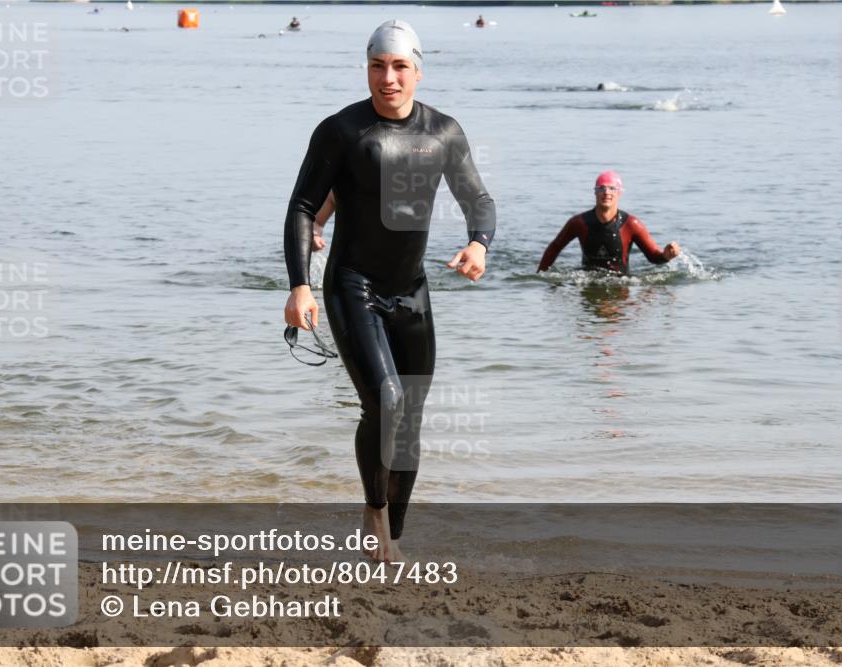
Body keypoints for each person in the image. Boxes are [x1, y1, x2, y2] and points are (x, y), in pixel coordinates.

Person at [283, 20, 495, 562]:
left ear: (418, 72)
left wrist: (478, 245)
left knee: (411, 420)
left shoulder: (443, 132)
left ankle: (394, 537)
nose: (388, 78)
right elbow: (304, 206)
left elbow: (478, 200)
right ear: (368, 69)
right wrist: (300, 286)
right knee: (386, 400)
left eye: (400, 67)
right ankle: (374, 512)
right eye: (378, 66)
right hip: (353, 284)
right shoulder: (342, 130)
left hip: (412, 292)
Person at [537, 171, 680, 275]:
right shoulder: (579, 223)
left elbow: (653, 257)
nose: (606, 192)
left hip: (620, 284)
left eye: (612, 188)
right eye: (601, 188)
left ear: (619, 193)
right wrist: (540, 276)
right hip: (587, 281)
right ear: (595, 193)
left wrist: (666, 255)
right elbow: (555, 247)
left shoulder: (631, 224)